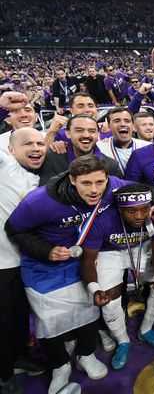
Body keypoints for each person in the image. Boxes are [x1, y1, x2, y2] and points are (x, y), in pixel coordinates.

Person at [4, 155, 129, 393]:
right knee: (49, 323)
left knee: (90, 311)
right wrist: (47, 251)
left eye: (99, 183)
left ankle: (86, 354)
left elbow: (139, 190)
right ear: (72, 179)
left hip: (82, 263)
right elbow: (15, 229)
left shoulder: (112, 186)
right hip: (43, 267)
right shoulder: (40, 200)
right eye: (86, 183)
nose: (94, 190)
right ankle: (60, 366)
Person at [80, 183, 154, 370]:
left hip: (142, 249)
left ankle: (146, 329)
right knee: (109, 301)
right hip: (109, 252)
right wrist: (94, 289)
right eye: (131, 211)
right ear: (119, 209)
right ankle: (122, 340)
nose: (138, 216)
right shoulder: (102, 219)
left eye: (144, 209)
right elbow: (88, 261)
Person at [0, 128, 47, 394]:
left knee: (19, 318)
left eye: (40, 143)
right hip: (0, 265)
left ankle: (16, 356)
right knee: (2, 322)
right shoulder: (4, 166)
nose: (36, 148)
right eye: (27, 143)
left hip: (23, 262)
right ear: (10, 149)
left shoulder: (34, 177)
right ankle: (3, 376)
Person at [38, 114, 122, 185]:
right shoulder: (53, 159)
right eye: (79, 131)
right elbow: (46, 194)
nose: (86, 135)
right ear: (68, 133)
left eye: (92, 131)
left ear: (98, 134)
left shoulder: (111, 166)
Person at [96, 107, 152, 174]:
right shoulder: (100, 148)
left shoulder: (148, 147)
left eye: (127, 121)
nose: (123, 124)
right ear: (109, 126)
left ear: (133, 126)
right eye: (117, 121)